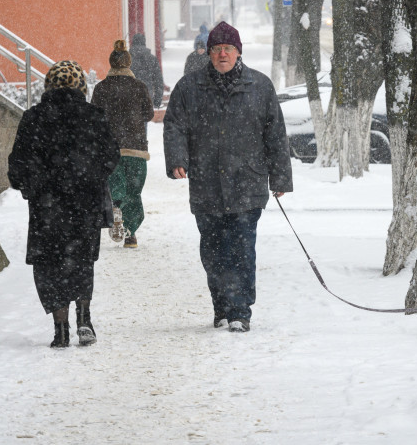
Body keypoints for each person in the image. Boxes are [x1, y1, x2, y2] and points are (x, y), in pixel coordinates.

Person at [163, 21, 293, 333]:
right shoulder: (189, 87)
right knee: (213, 251)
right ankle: (221, 305)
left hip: (247, 182)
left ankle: (240, 311)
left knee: (242, 249)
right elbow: (174, 125)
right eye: (217, 49)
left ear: (238, 52)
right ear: (208, 53)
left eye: (228, 49)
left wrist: (280, 178)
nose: (223, 54)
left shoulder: (259, 87)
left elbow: (275, 134)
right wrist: (177, 159)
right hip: (206, 184)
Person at [8, 60, 119, 348]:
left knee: (49, 265)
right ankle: (84, 318)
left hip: (47, 209)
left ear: (48, 86)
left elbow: (17, 163)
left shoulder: (33, 118)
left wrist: (31, 186)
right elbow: (110, 156)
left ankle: (60, 329)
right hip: (85, 206)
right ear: (81, 86)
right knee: (81, 261)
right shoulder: (94, 116)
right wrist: (90, 177)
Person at [91, 40, 155, 248]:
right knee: (134, 191)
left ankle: (116, 206)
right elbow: (149, 114)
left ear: (111, 64)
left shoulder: (101, 88)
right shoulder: (139, 87)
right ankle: (131, 234)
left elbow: (94, 117)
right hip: (136, 148)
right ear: (129, 63)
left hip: (110, 149)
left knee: (115, 185)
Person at [130, 32, 165, 107]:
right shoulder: (152, 59)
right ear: (144, 43)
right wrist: (157, 100)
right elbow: (158, 81)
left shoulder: (126, 59)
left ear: (132, 43)